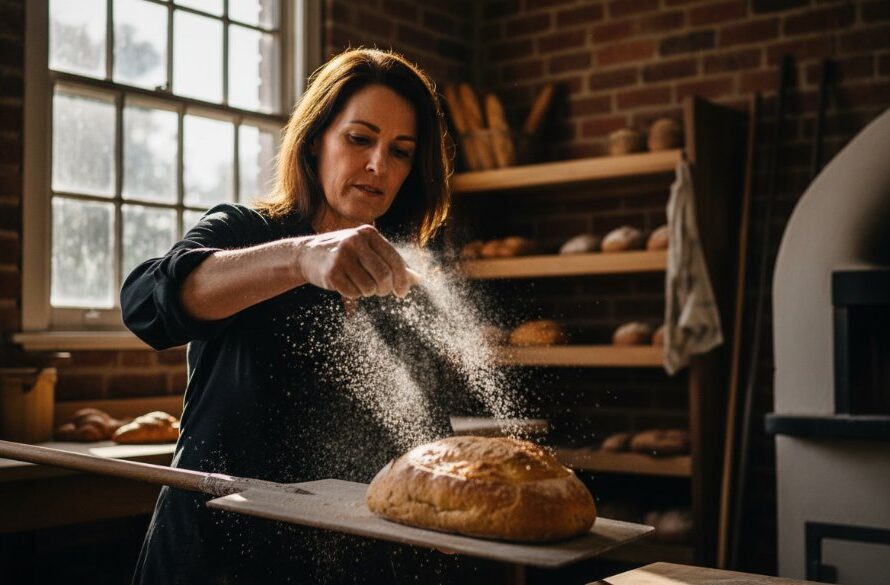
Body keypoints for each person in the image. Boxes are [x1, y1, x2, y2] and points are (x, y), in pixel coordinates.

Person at [121, 48, 474, 584]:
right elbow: (146, 306)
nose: (379, 164)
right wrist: (300, 257)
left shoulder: (403, 277)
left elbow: (420, 430)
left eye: (401, 151)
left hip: (345, 564)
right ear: (315, 140)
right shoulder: (245, 231)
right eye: (359, 139)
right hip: (215, 557)